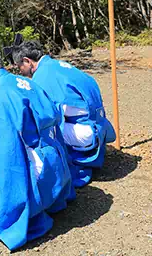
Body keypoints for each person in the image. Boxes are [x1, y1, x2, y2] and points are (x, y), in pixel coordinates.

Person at [0, 41, 74, 251]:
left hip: (33, 173)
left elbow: (2, 151)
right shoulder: (25, 81)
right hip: (56, 167)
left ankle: (24, 212)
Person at [12, 41, 115, 187]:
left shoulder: (42, 76)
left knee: (37, 133)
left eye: (19, 67)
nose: (20, 71)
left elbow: (43, 116)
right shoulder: (58, 65)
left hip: (87, 132)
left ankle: (60, 173)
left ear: (27, 61)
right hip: (98, 124)